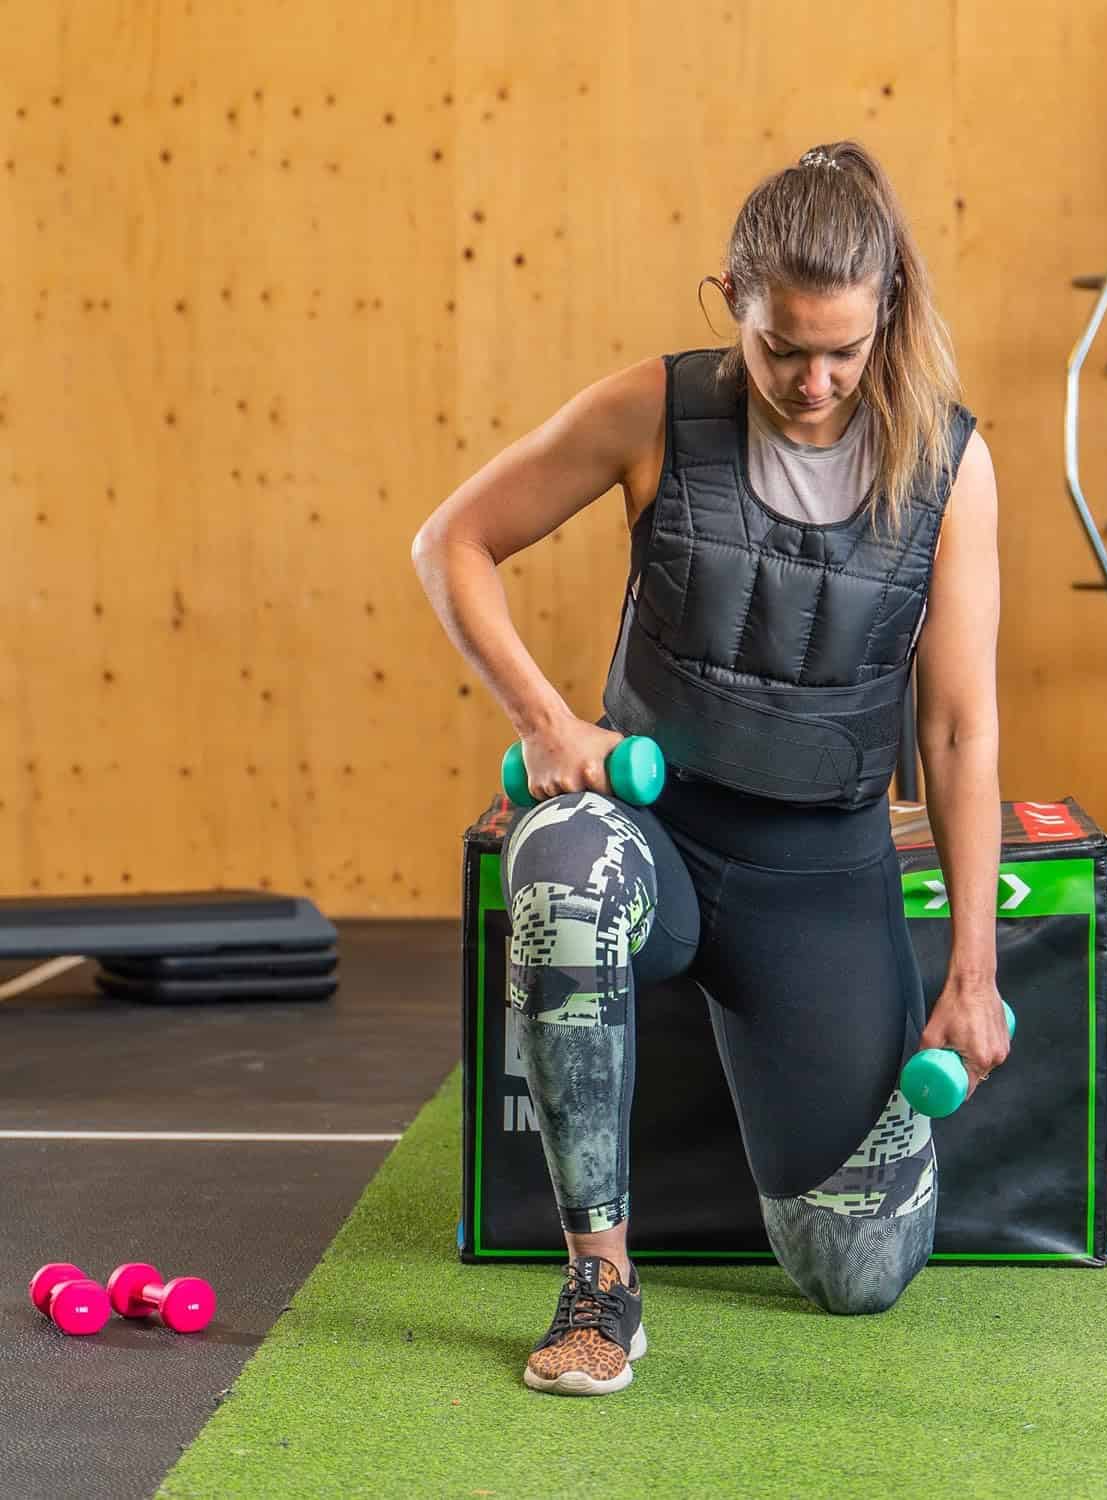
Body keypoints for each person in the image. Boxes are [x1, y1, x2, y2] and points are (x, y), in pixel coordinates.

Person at [411, 140, 1004, 1397]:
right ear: (732, 297)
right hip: (654, 834)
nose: (814, 378)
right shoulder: (655, 410)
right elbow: (452, 541)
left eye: (844, 348)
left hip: (823, 874)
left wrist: (973, 972)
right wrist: (543, 719)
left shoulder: (950, 463)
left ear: (887, 307)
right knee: (561, 871)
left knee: (861, 1274)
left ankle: (837, 1115)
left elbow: (956, 732)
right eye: (783, 345)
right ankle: (599, 1289)